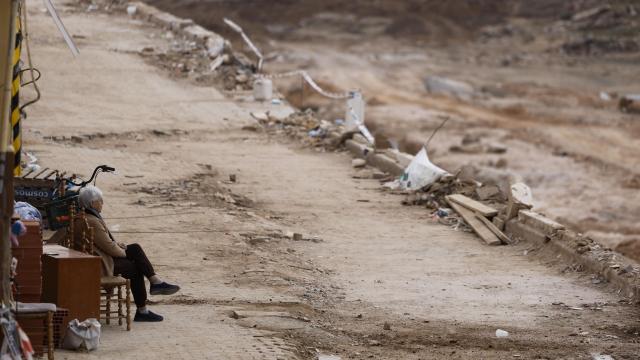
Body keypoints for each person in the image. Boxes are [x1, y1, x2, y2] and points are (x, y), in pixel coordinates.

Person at [75, 185, 180, 322]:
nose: (102, 203)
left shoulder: (83, 217)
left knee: (135, 249)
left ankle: (154, 283)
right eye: (100, 201)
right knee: (135, 267)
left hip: (95, 259)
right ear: (92, 203)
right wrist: (125, 253)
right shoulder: (92, 221)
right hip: (99, 264)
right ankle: (145, 305)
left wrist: (119, 246)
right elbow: (110, 248)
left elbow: (103, 243)